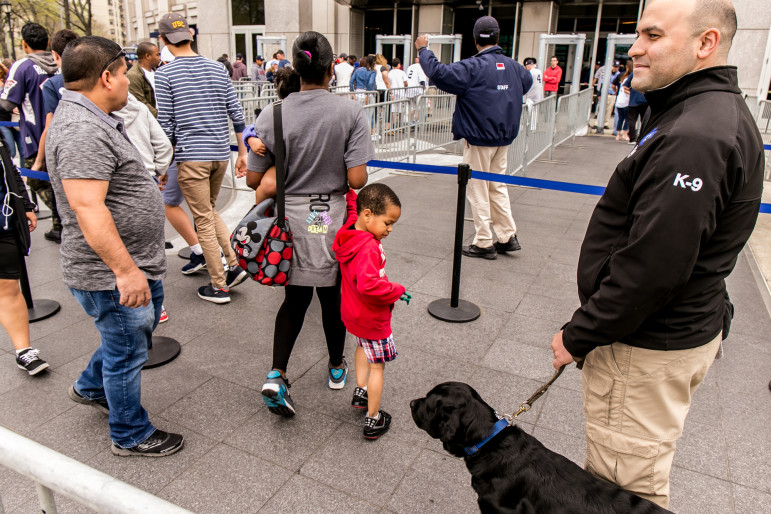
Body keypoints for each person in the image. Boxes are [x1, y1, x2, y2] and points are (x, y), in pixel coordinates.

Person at [550, 0, 762, 508]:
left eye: (652, 35)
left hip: (646, 344)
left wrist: (578, 336)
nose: (635, 48)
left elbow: (653, 266)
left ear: (705, 43)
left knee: (624, 491)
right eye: (637, 34)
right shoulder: (698, 117)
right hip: (667, 331)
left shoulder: (695, 134)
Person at [46, 36, 184, 457]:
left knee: (126, 340)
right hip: (112, 273)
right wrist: (125, 272)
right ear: (106, 77)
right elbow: (88, 209)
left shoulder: (94, 117)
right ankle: (129, 434)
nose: (129, 82)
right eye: (125, 74)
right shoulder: (81, 129)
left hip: (129, 264)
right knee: (127, 349)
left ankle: (90, 387)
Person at [246, 30, 372, 418]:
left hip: (289, 219)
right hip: (328, 216)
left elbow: (254, 180)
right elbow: (356, 180)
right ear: (332, 68)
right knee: (331, 297)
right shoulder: (349, 112)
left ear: (295, 70)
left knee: (295, 299)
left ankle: (277, 373)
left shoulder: (274, 112)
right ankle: (336, 367)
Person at [417, 16, 531, 260]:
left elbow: (438, 73)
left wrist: (423, 50)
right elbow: (527, 82)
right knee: (497, 186)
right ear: (498, 37)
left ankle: (483, 241)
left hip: (478, 137)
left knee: (478, 189)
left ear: (476, 39)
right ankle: (507, 236)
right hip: (503, 137)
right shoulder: (513, 66)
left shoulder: (473, 67)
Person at [155, 13, 249, 304]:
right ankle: (233, 266)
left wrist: (162, 167)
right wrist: (242, 153)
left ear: (163, 40)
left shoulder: (165, 74)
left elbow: (166, 126)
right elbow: (236, 112)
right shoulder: (218, 68)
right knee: (209, 211)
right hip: (220, 154)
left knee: (203, 220)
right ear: (191, 36)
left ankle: (219, 285)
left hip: (191, 157)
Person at [333, 184, 407, 439]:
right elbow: (369, 285)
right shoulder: (368, 247)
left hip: (352, 313)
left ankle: (360, 390)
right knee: (378, 366)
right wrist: (396, 289)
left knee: (361, 347)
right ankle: (373, 418)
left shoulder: (349, 231)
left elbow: (353, 206)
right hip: (372, 316)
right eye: (387, 222)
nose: (390, 229)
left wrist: (349, 190)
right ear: (368, 215)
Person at [0, 23, 62, 243]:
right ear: (47, 43)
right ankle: (62, 220)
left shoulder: (22, 66)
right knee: (58, 179)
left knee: (35, 178)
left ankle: (60, 221)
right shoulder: (59, 62)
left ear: (24, 44)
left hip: (35, 135)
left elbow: (6, 103)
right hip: (62, 131)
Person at [0, 137, 47, 375]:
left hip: (4, 221)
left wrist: (26, 205)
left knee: (8, 286)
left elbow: (10, 169)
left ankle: (23, 351)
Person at [242, 67, 301, 206]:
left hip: (283, 180)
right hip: (322, 194)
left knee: (268, 184)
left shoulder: (271, 114)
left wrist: (250, 138)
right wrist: (250, 138)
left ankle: (260, 219)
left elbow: (252, 180)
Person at [29, 30, 80, 176]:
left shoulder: (52, 85)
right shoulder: (94, 78)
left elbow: (50, 126)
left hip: (66, 154)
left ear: (55, 55)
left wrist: (39, 161)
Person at [127, 42, 160, 116]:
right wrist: (160, 116)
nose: (159, 58)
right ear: (148, 56)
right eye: (157, 55)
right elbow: (140, 102)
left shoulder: (158, 71)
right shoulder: (134, 75)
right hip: (151, 119)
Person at [0, 61, 24, 161]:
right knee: (11, 151)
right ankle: (10, 175)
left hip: (15, 120)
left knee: (23, 151)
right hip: (3, 121)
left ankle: (23, 176)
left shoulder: (9, 80)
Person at [623, 71, 648, 144]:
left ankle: (632, 139)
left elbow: (625, 86)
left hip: (633, 101)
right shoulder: (647, 73)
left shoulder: (634, 73)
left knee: (632, 120)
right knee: (644, 120)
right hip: (645, 100)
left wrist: (631, 92)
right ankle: (643, 137)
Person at [613, 65, 631, 141]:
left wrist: (616, 92)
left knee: (620, 118)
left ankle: (618, 135)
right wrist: (632, 92)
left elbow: (613, 85)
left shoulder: (621, 77)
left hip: (619, 101)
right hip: (626, 101)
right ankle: (625, 134)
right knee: (627, 118)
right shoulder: (629, 79)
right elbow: (625, 90)